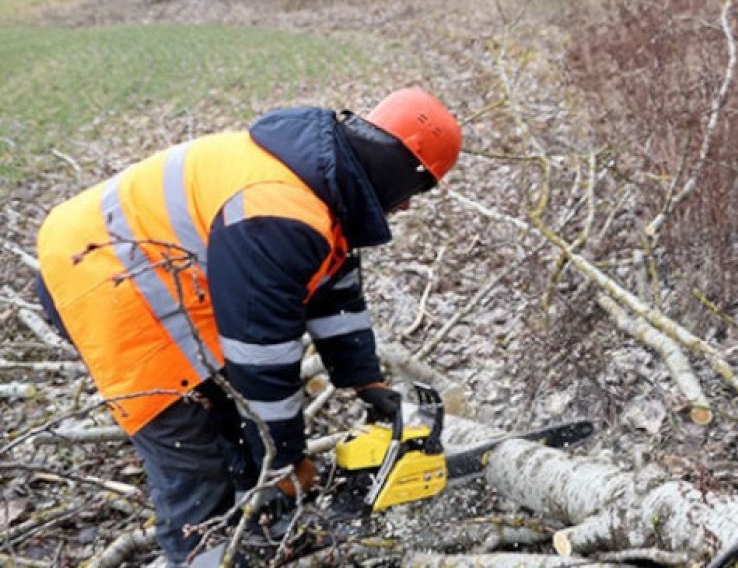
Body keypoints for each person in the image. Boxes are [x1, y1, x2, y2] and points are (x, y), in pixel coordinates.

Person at [34, 87, 463, 565]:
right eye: (417, 191)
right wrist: (287, 459)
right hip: (101, 279)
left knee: (233, 423)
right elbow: (261, 350)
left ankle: (263, 532)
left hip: (158, 278)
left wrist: (365, 382)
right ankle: (209, 551)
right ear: (402, 166)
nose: (405, 207)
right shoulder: (281, 210)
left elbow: (334, 293)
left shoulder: (321, 185)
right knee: (196, 461)